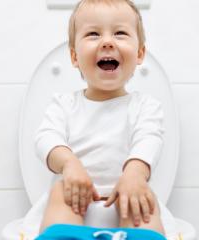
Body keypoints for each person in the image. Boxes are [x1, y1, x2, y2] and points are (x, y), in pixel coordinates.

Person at [32, 0, 166, 237]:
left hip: (126, 202)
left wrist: (135, 173)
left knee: (144, 198)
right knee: (61, 191)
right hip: (74, 205)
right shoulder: (63, 105)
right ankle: (66, 234)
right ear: (74, 56)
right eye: (93, 34)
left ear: (140, 53)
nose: (107, 41)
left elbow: (149, 139)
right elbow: (46, 139)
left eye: (120, 33)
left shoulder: (145, 107)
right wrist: (69, 164)